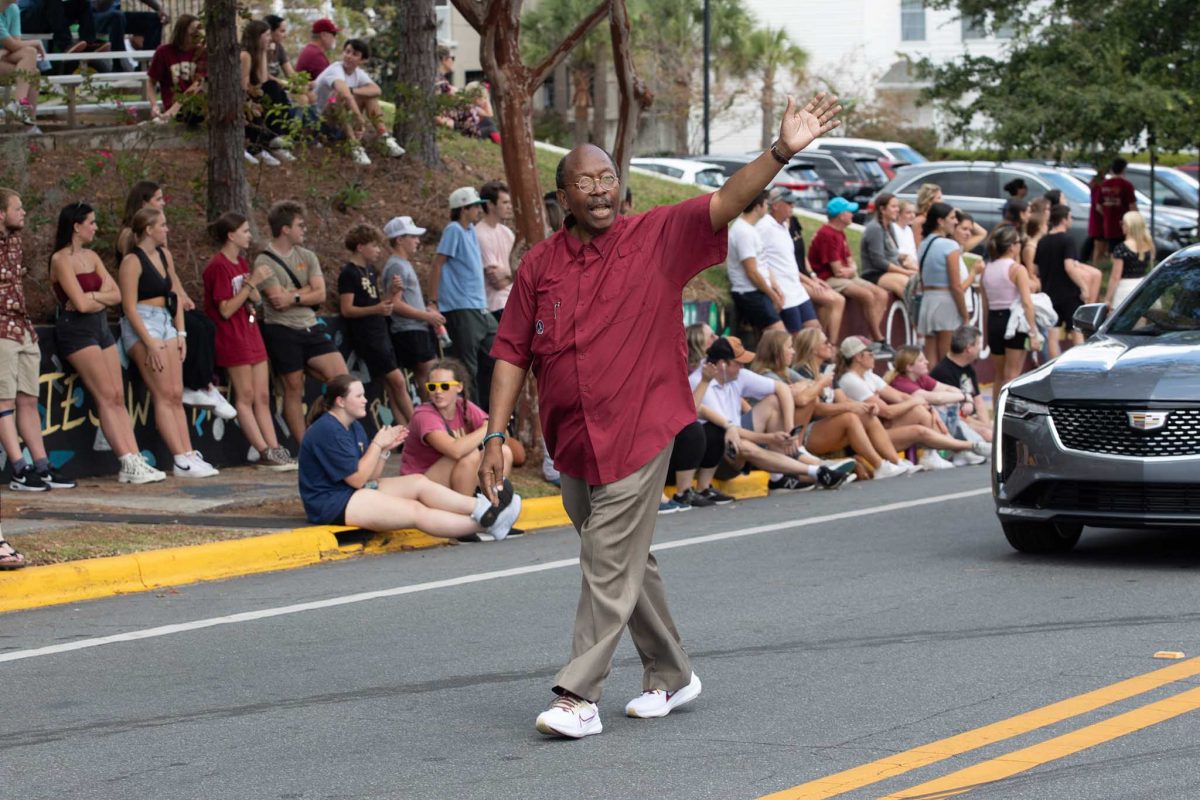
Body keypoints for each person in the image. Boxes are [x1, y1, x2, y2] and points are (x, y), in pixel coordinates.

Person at [479, 91, 844, 738]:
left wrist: (783, 149)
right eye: (584, 181)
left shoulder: (656, 236)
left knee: (606, 555)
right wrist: (496, 434)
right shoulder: (539, 266)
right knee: (621, 557)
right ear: (562, 196)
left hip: (642, 426)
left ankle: (578, 696)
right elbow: (511, 352)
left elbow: (727, 200)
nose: (599, 189)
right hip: (573, 440)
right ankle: (673, 674)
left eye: (607, 178)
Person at [298, 373, 522, 540]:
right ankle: (486, 525)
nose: (365, 400)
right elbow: (356, 480)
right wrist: (377, 445)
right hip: (331, 502)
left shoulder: (352, 426)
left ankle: (483, 508)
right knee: (416, 512)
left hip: (351, 491)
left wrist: (384, 451)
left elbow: (369, 478)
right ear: (340, 401)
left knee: (418, 483)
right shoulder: (326, 429)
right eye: (359, 396)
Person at [48, 202, 165, 484]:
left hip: (100, 327)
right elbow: (77, 303)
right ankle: (125, 457)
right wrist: (95, 297)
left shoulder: (92, 256)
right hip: (77, 332)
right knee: (104, 395)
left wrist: (94, 298)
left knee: (117, 394)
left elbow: (116, 295)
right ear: (76, 226)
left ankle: (134, 457)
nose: (95, 227)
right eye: (91, 222)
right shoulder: (60, 259)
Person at [117, 181, 235, 422]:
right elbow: (142, 272)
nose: (163, 204)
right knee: (192, 332)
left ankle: (204, 385)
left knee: (204, 325)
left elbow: (167, 272)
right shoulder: (131, 239)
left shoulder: (160, 243)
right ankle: (197, 385)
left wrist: (181, 295)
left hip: (165, 303)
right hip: (146, 306)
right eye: (158, 200)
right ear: (144, 205)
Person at [118, 207, 218, 478]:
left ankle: (188, 452)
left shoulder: (165, 255)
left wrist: (182, 332)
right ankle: (178, 457)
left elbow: (174, 292)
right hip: (143, 322)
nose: (167, 229)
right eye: (162, 225)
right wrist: (149, 342)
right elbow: (129, 307)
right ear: (149, 229)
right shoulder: (132, 261)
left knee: (176, 392)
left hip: (166, 320)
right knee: (162, 393)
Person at [690, 336, 852, 493]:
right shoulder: (701, 382)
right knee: (743, 445)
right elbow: (728, 429)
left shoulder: (736, 374)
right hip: (716, 455)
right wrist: (771, 438)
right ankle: (816, 470)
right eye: (738, 363)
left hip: (737, 437)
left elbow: (781, 388)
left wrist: (789, 430)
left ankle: (781, 477)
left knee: (774, 400)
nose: (742, 368)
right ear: (722, 364)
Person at [203, 212, 296, 470]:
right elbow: (224, 309)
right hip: (232, 336)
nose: (249, 235)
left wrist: (253, 289)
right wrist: (250, 285)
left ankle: (275, 447)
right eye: (244, 231)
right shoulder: (217, 266)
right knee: (245, 395)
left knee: (262, 396)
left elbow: (252, 299)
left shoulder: (242, 263)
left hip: (251, 331)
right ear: (231, 235)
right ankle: (263, 450)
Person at [752, 329, 911, 480]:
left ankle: (892, 462)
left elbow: (839, 400)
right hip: (791, 434)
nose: (831, 345)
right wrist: (819, 385)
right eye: (789, 347)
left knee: (862, 415)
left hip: (801, 430)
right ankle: (879, 465)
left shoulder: (798, 371)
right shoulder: (796, 370)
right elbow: (809, 402)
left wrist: (861, 406)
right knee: (847, 416)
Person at [1, 188, 75, 491]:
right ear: (1, 213)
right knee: (4, 401)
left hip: (23, 328)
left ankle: (41, 465)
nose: (24, 213)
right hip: (1, 330)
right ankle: (19, 468)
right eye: (18, 208)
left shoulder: (17, 242)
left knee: (29, 399)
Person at [255, 200, 347, 443]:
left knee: (342, 380)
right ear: (285, 229)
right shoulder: (265, 260)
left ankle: (335, 433)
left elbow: (320, 294)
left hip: (311, 326)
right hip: (283, 330)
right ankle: (306, 445)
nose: (304, 230)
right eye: (300, 225)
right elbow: (277, 301)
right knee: (294, 388)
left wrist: (295, 294)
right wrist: (306, 290)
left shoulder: (307, 256)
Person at [836, 335, 986, 470]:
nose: (874, 356)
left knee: (921, 410)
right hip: (867, 438)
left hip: (881, 428)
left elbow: (901, 397)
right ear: (858, 357)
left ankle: (936, 453)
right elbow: (887, 411)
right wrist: (918, 401)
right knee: (919, 427)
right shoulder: (851, 380)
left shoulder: (868, 375)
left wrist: (923, 404)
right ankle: (968, 447)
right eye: (870, 353)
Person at [337, 223, 415, 426]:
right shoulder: (349, 273)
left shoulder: (370, 271)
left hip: (380, 331)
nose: (378, 250)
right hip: (367, 336)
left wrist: (392, 292)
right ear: (360, 247)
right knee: (397, 381)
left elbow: (379, 304)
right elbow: (347, 309)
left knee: (392, 386)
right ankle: (419, 427)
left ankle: (405, 431)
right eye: (374, 245)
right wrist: (376, 310)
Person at [397, 358, 513, 495]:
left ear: (459, 387)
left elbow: (503, 436)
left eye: (444, 386)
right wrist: (491, 427)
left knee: (503, 452)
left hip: (445, 476)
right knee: (470, 455)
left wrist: (495, 428)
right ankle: (466, 508)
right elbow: (455, 450)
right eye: (432, 387)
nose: (438, 391)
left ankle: (493, 500)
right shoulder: (424, 415)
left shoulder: (462, 405)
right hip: (416, 483)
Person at [430, 186, 498, 405]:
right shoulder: (454, 230)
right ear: (463, 209)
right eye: (476, 206)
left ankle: (490, 411)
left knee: (498, 355)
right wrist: (433, 301)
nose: (480, 209)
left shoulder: (470, 231)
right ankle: (472, 418)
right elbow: (437, 264)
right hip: (461, 307)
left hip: (480, 307)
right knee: (467, 368)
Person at [809, 196, 892, 351]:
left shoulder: (840, 232)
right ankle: (878, 339)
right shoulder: (827, 234)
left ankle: (871, 339)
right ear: (841, 215)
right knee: (867, 295)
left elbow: (851, 261)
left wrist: (851, 269)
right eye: (849, 212)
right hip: (828, 278)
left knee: (881, 294)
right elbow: (838, 271)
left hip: (847, 276)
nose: (852, 215)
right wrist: (851, 269)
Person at [887, 345, 992, 460]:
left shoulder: (921, 377)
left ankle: (962, 448)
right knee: (936, 408)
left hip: (924, 421)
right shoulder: (901, 383)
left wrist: (967, 399)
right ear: (909, 367)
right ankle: (957, 449)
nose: (927, 362)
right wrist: (964, 397)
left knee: (950, 404)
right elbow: (936, 398)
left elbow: (949, 389)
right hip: (898, 426)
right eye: (921, 360)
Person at [313, 38, 405, 166]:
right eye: (347, 52)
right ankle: (355, 146)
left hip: (342, 123)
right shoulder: (335, 69)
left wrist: (353, 90)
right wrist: (359, 118)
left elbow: (377, 90)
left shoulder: (358, 74)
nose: (349, 56)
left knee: (369, 96)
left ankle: (385, 138)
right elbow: (345, 95)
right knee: (337, 95)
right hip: (321, 123)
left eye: (355, 54)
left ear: (362, 60)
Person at [380, 215, 442, 399]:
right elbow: (396, 303)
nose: (417, 241)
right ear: (399, 240)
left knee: (430, 374)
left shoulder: (403, 264)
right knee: (428, 375)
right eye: (412, 236)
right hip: (409, 329)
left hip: (416, 328)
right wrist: (426, 316)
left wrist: (427, 313)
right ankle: (433, 416)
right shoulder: (396, 266)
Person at [981, 224, 1040, 387]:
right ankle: (1009, 411)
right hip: (1012, 319)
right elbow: (1027, 302)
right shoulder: (1016, 269)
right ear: (1012, 247)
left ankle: (997, 410)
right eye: (1019, 242)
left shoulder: (987, 269)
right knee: (1013, 375)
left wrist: (988, 328)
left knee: (999, 375)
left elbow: (985, 304)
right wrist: (1033, 333)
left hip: (994, 320)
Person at [755, 187, 820, 334]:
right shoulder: (764, 227)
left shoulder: (785, 226)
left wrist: (809, 280)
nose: (793, 207)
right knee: (794, 336)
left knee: (814, 329)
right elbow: (757, 260)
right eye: (789, 203)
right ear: (776, 205)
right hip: (783, 292)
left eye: (793, 204)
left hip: (797, 288)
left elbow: (789, 260)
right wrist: (773, 288)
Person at [915, 202, 967, 363]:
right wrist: (965, 316)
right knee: (947, 357)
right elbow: (956, 286)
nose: (956, 221)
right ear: (940, 221)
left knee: (930, 356)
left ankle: (933, 387)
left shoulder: (923, 244)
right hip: (945, 301)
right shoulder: (950, 245)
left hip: (928, 300)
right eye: (951, 218)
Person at [727, 189, 785, 333]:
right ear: (758, 206)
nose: (768, 206)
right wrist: (772, 295)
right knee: (780, 336)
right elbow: (751, 272)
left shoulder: (750, 229)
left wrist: (775, 287)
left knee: (769, 340)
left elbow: (762, 262)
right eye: (766, 203)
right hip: (749, 292)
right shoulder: (743, 232)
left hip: (759, 291)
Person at [240, 19, 294, 167]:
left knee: (274, 88)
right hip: (242, 98)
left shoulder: (256, 54)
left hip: (253, 94)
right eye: (267, 35)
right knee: (271, 89)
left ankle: (272, 139)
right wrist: (256, 94)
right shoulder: (245, 55)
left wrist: (264, 52)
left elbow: (262, 79)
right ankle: (257, 145)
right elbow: (243, 86)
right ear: (257, 36)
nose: (270, 38)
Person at [1035, 204, 1089, 349]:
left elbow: (1036, 268)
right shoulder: (1067, 240)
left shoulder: (1042, 241)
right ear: (1064, 220)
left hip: (1049, 294)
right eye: (1070, 217)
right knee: (1077, 333)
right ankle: (1079, 367)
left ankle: (1053, 366)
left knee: (1053, 336)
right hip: (1069, 294)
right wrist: (1084, 287)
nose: (1071, 220)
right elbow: (1069, 267)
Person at [929, 325, 994, 444]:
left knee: (993, 431)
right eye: (978, 344)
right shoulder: (943, 372)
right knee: (988, 434)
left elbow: (978, 401)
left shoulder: (968, 368)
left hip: (968, 419)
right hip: (953, 422)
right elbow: (953, 414)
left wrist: (987, 425)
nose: (980, 348)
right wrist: (983, 428)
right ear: (969, 348)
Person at [789, 214, 845, 340]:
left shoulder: (793, 223)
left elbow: (802, 255)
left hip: (804, 276)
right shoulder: (775, 231)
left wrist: (813, 276)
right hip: (793, 278)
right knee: (830, 299)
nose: (791, 207)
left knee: (838, 299)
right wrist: (810, 281)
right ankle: (826, 343)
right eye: (789, 204)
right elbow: (787, 266)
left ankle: (828, 343)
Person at [146, 14, 204, 123]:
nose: (197, 39)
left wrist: (175, 109)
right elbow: (151, 81)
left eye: (199, 35)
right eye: (193, 35)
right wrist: (154, 105)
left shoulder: (201, 53)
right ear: (182, 33)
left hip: (195, 107)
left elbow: (198, 84)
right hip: (174, 108)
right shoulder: (163, 52)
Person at [860, 192, 917, 301]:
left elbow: (893, 253)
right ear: (882, 209)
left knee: (917, 281)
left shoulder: (889, 226)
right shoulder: (875, 228)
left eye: (897, 207)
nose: (897, 210)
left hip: (890, 270)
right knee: (906, 284)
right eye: (893, 207)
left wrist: (904, 258)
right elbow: (879, 261)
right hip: (875, 273)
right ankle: (913, 315)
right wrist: (905, 272)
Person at [476, 180, 515, 322]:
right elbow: (497, 282)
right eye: (504, 203)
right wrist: (515, 273)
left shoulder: (507, 232)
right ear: (490, 205)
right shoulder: (480, 234)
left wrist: (509, 274)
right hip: (496, 305)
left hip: (515, 301)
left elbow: (524, 269)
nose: (510, 207)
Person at [1, 0, 42, 130]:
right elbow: (13, 45)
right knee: (32, 67)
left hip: (4, 57)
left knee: (30, 57)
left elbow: (15, 44)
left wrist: (4, 51)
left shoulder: (13, 9)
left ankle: (26, 115)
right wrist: (35, 42)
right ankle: (29, 123)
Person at [93, 0, 166, 71]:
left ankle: (145, 64)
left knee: (154, 19)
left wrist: (159, 9)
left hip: (118, 18)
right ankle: (117, 65)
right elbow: (100, 7)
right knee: (117, 16)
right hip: (93, 18)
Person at [1105, 210, 1155, 308]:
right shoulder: (1148, 245)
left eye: (1123, 223)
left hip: (1125, 289)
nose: (1122, 225)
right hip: (1142, 286)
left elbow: (1115, 277)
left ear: (1129, 226)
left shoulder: (1122, 248)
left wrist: (1107, 298)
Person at [1100, 158, 1137, 254]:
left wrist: (1107, 215)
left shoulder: (1104, 185)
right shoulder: (1126, 185)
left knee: (1113, 252)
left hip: (1109, 226)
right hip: (1125, 226)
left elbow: (1098, 207)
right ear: (1124, 169)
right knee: (1127, 253)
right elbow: (1132, 206)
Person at [294, 17, 335, 81]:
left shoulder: (310, 50)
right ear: (323, 35)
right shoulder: (316, 56)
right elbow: (328, 83)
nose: (334, 38)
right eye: (333, 34)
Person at [1086, 167, 1108, 264]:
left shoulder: (1095, 183)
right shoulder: (1099, 185)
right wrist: (1108, 216)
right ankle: (1097, 266)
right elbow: (1098, 206)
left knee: (1100, 247)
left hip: (1096, 219)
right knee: (1099, 247)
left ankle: (1099, 266)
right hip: (1099, 220)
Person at [912, 183, 942, 249]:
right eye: (939, 198)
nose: (942, 201)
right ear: (929, 202)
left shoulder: (932, 219)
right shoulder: (920, 221)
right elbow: (918, 246)